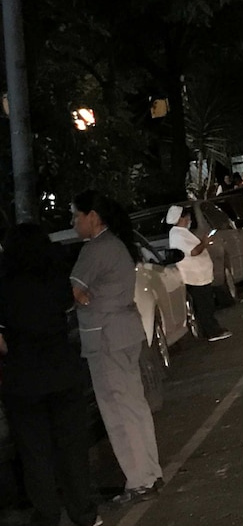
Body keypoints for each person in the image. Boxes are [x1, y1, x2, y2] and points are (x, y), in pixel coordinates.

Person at [0, 224, 101, 526]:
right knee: (72, 447)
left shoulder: (4, 285)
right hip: (62, 371)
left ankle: (47, 514)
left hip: (23, 378)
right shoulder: (55, 278)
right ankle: (84, 512)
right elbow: (69, 308)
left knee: (35, 453)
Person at [69, 190, 163, 505]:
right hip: (125, 332)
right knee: (134, 406)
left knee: (118, 411)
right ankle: (150, 473)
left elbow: (73, 290)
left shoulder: (95, 249)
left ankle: (139, 481)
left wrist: (82, 298)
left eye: (75, 215)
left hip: (105, 337)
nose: (73, 222)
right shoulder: (118, 245)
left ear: (92, 217)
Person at [166, 205, 233, 342]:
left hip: (199, 276)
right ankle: (212, 332)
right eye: (188, 217)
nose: (189, 220)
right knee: (204, 306)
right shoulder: (177, 234)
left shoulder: (182, 233)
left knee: (207, 304)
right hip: (194, 277)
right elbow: (193, 252)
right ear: (181, 218)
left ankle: (213, 329)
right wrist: (204, 243)